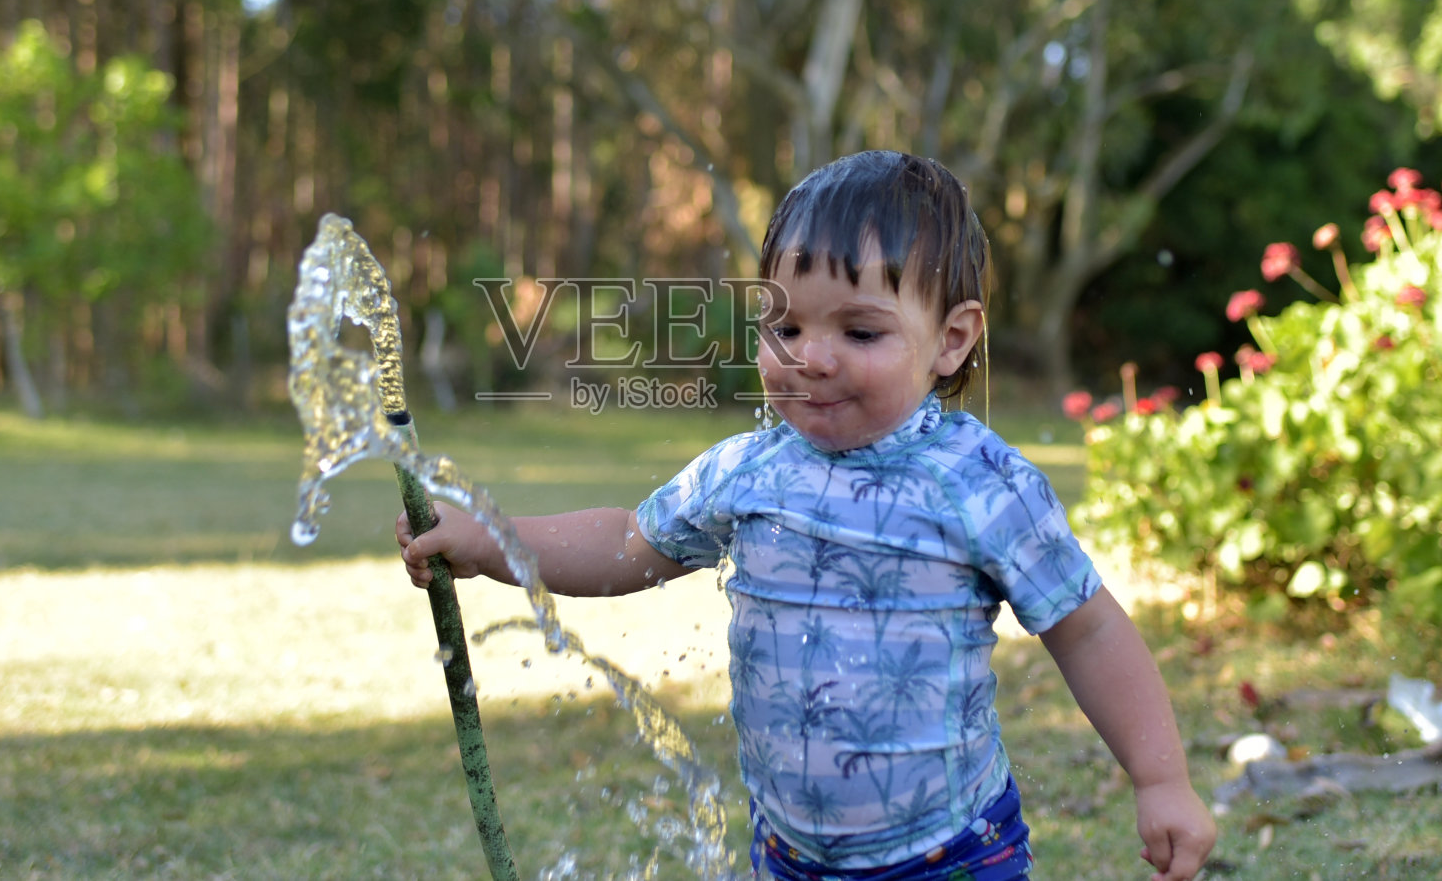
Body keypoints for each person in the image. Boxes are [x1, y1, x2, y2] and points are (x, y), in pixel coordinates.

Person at [397, 151, 1215, 881]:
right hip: (789, 854)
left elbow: (1089, 629)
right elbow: (625, 541)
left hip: (950, 851)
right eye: (784, 325)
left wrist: (1161, 779)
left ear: (952, 339)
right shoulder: (749, 469)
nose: (810, 356)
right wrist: (488, 538)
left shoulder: (981, 482)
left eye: (859, 330)